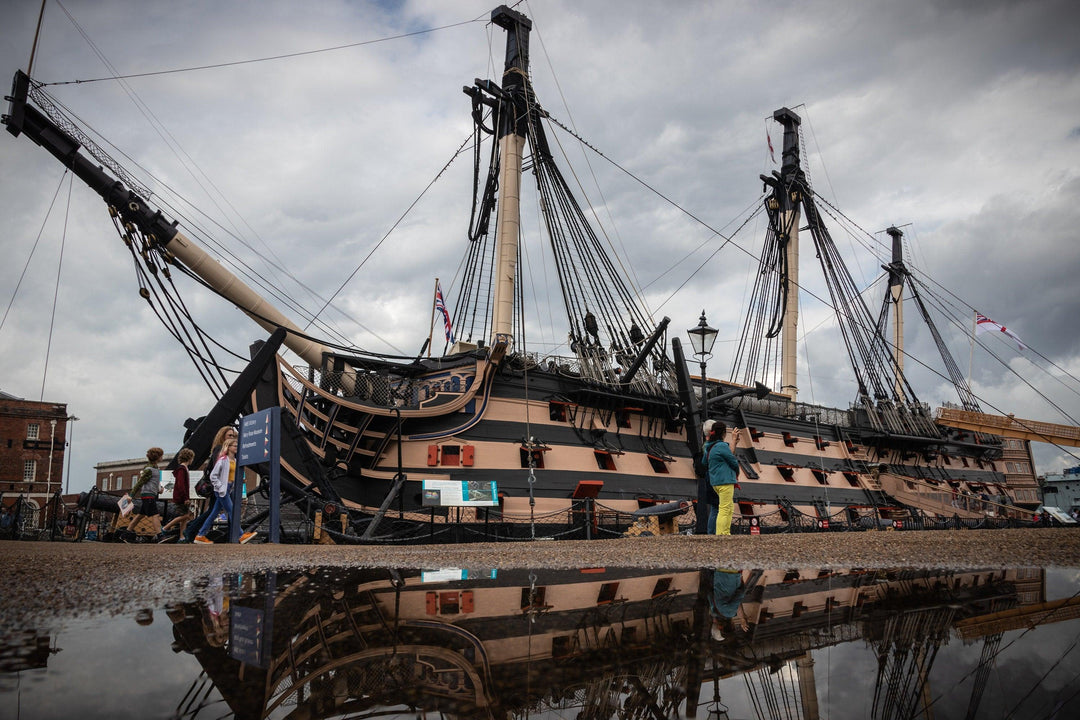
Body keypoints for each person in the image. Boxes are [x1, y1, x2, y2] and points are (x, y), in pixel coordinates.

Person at [194, 437, 256, 544]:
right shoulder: (222, 460)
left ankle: (200, 535)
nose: (237, 447)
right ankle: (241, 535)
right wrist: (220, 486)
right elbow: (213, 475)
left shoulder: (235, 461)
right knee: (232, 511)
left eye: (237, 446)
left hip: (229, 488)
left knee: (214, 513)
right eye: (234, 446)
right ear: (229, 447)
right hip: (223, 489)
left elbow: (231, 475)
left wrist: (240, 480)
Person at [184, 426, 238, 543]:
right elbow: (217, 470)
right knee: (226, 510)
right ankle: (238, 534)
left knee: (215, 510)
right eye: (229, 435)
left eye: (233, 436)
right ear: (222, 436)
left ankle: (195, 531)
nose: (232, 438)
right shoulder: (220, 450)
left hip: (225, 486)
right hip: (220, 486)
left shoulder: (225, 452)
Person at [703, 420, 741, 536]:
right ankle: (722, 533)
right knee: (724, 509)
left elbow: (704, 462)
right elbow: (733, 460)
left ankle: (724, 532)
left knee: (727, 507)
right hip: (725, 481)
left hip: (715, 482)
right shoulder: (722, 446)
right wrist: (737, 471)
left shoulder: (709, 447)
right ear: (723, 433)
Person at [125, 447, 164, 541]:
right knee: (155, 515)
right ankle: (160, 536)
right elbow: (139, 483)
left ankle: (125, 535)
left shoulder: (155, 468)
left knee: (139, 516)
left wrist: (159, 489)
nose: (162, 457)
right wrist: (131, 495)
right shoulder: (149, 469)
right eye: (161, 455)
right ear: (158, 457)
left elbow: (153, 482)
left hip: (149, 494)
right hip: (148, 495)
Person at [159, 447, 195, 542]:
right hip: (181, 497)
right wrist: (186, 497)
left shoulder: (183, 468)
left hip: (181, 496)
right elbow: (181, 484)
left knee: (184, 518)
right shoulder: (182, 469)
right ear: (189, 458)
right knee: (187, 516)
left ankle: (182, 537)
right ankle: (165, 528)